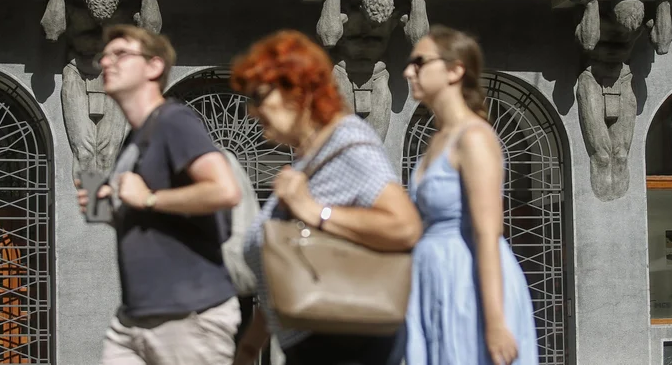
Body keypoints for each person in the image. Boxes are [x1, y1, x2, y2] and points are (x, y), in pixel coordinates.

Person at [229, 30, 423, 365]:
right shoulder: (310, 159)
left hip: (347, 344)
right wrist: (251, 344)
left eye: (259, 96)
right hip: (312, 343)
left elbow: (405, 226)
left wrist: (313, 210)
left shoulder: (346, 140)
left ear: (299, 91)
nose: (251, 111)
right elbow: (290, 268)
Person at [75, 24, 243, 365]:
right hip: (134, 318)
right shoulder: (137, 140)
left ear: (154, 67)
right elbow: (153, 220)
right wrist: (112, 210)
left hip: (186, 315)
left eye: (121, 54)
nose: (107, 62)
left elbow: (225, 190)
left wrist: (149, 199)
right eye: (104, 56)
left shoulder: (174, 120)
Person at [401, 25, 538, 365]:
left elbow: (487, 233)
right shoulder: (436, 139)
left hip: (467, 283)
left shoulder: (475, 137)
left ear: (454, 70)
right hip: (433, 281)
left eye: (419, 62)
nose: (408, 71)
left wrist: (495, 322)